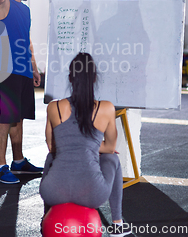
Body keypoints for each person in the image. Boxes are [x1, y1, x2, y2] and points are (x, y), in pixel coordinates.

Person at [39, 53, 132, 237]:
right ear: (95, 78)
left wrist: (78, 145)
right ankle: (117, 224)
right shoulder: (106, 108)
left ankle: (46, 217)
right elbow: (110, 147)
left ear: (70, 78)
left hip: (52, 191)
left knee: (51, 158)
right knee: (112, 158)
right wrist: (88, 146)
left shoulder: (53, 107)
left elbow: (52, 147)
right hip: (92, 193)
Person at [0, 0, 43, 184]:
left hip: (23, 69)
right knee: (6, 118)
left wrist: (34, 67)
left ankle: (18, 161)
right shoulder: (2, 4)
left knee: (18, 117)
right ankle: (1, 168)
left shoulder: (26, 9)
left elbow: (28, 38)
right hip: (8, 69)